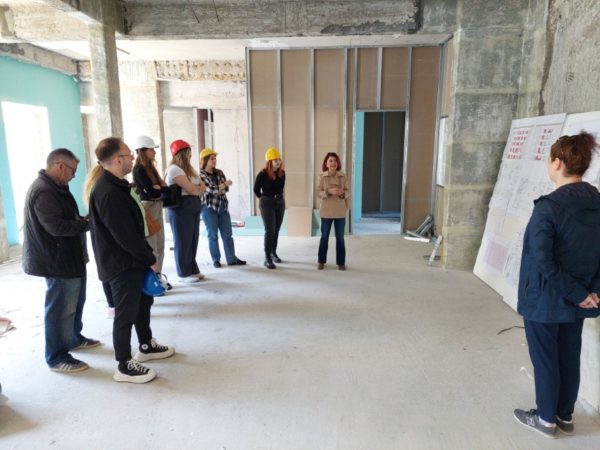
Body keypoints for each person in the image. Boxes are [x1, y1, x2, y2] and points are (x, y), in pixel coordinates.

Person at [514, 132, 600, 438]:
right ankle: (564, 415)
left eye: (549, 159)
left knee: (546, 359)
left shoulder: (548, 207)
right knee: (568, 356)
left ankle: (546, 419)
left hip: (545, 299)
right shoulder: (597, 203)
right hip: (581, 299)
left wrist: (579, 293)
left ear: (557, 162)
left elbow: (543, 260)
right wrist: (590, 293)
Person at [89, 137, 174, 384]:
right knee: (125, 314)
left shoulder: (118, 186)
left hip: (132, 260)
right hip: (121, 264)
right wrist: (149, 258)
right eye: (129, 154)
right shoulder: (107, 191)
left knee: (143, 304)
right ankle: (124, 365)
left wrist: (145, 256)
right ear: (118, 159)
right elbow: (124, 235)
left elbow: (133, 228)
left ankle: (146, 345)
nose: (133, 157)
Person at [23, 148, 100, 373]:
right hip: (56, 261)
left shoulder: (57, 188)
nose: (74, 176)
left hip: (70, 257)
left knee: (75, 302)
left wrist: (82, 220)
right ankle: (56, 357)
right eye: (73, 171)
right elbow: (56, 227)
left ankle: (73, 337)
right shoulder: (43, 191)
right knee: (60, 309)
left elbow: (67, 218)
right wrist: (88, 224)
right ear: (60, 166)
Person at [131, 135, 172, 289]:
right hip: (148, 207)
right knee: (152, 247)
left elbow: (165, 189)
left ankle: (158, 279)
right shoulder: (138, 170)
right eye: (151, 149)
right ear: (143, 150)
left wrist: (159, 188)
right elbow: (150, 192)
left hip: (157, 205)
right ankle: (152, 282)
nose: (154, 152)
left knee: (160, 246)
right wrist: (160, 189)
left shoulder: (151, 168)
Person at [164, 139, 206, 282]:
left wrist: (197, 189)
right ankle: (183, 274)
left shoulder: (190, 169)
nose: (191, 154)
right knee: (183, 240)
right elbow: (193, 189)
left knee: (193, 239)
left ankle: (192, 269)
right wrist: (196, 189)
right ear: (182, 153)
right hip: (181, 208)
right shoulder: (174, 169)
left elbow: (202, 187)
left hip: (193, 205)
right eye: (189, 151)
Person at [198, 148, 246, 268]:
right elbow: (211, 189)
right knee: (213, 235)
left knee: (227, 234)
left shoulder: (219, 172)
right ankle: (216, 260)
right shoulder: (201, 175)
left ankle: (232, 259)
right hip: (209, 208)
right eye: (212, 158)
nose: (214, 161)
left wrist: (221, 187)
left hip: (222, 207)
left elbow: (226, 189)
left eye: (215, 158)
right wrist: (223, 185)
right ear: (205, 160)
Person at [253, 147, 286, 269]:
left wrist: (278, 199)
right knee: (270, 230)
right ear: (270, 162)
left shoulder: (282, 173)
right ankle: (267, 258)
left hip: (280, 202)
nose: (278, 162)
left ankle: (273, 253)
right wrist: (264, 199)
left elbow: (281, 188)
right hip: (267, 203)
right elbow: (256, 189)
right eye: (275, 160)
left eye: (279, 159)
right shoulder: (262, 174)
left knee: (276, 229)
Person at [317, 152, 349, 271]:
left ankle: (341, 262)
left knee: (340, 238)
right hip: (326, 211)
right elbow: (318, 193)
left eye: (335, 161)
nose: (333, 163)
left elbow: (348, 191)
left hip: (340, 211)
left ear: (338, 163)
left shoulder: (343, 176)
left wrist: (343, 193)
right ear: (326, 163)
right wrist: (328, 192)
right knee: (324, 237)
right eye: (330, 161)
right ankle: (321, 261)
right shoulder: (321, 176)